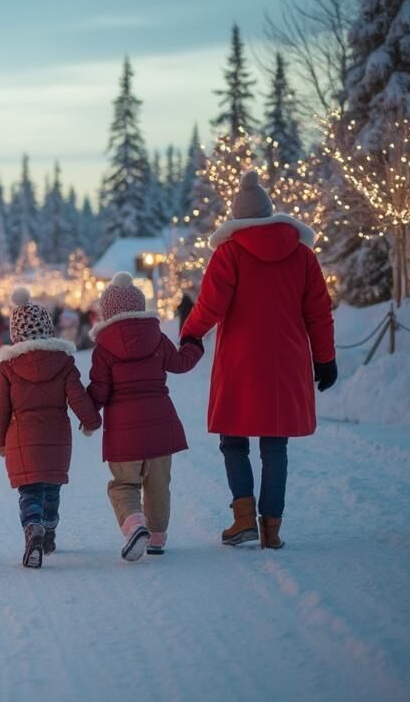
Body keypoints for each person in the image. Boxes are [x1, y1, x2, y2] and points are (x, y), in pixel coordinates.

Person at [181, 171, 336, 550]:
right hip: (287, 362)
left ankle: (243, 519)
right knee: (275, 446)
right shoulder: (303, 255)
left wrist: (191, 332)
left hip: (241, 361)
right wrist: (325, 358)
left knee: (233, 440)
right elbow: (319, 312)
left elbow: (211, 305)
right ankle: (272, 529)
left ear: (238, 218)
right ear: (268, 213)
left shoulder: (229, 253)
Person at [87, 272, 204, 560]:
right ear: (139, 306)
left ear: (106, 311)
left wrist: (87, 413)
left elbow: (100, 389)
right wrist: (194, 345)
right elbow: (180, 363)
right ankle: (157, 537)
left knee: (124, 485)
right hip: (161, 427)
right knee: (158, 485)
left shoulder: (103, 347)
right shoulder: (157, 337)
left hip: (123, 433)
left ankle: (135, 526)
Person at [0, 287, 101, 569]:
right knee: (51, 489)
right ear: (48, 329)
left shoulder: (8, 367)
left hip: (21, 439)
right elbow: (78, 397)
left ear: (15, 334)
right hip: (57, 440)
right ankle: (48, 533)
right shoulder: (63, 362)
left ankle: (33, 527)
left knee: (30, 492)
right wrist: (91, 421)